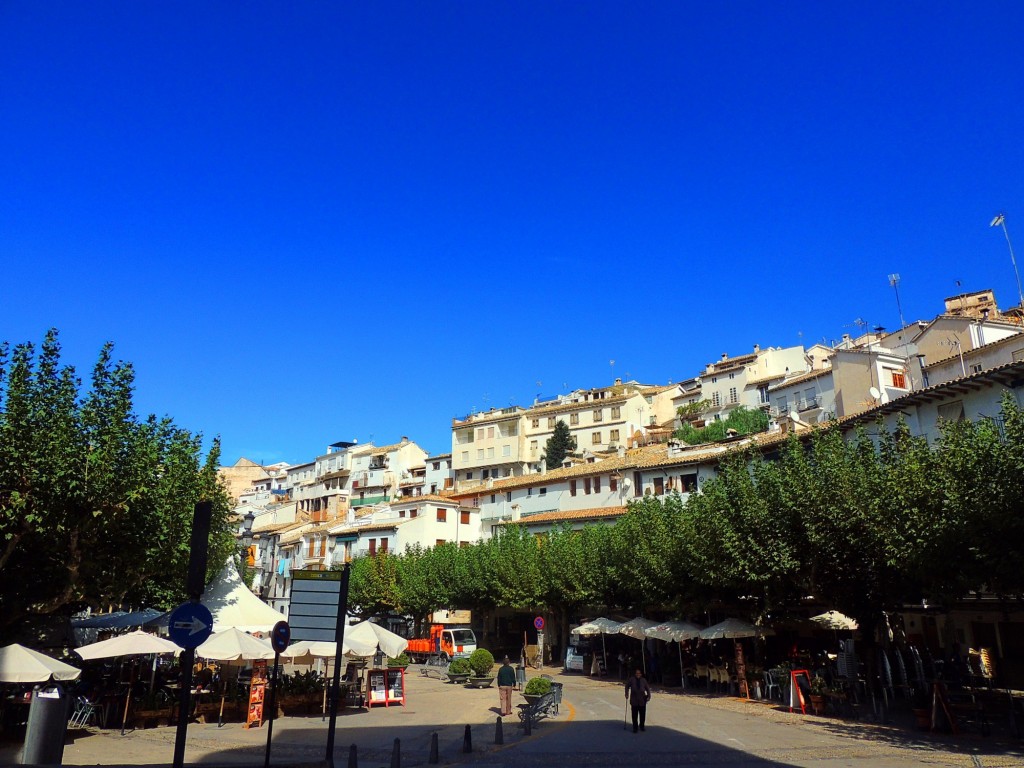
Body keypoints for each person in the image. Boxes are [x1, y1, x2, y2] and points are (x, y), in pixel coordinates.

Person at [624, 668, 651, 733]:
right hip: (634, 700)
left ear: (641, 674)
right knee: (634, 715)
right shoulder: (631, 679)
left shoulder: (643, 680)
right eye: (636, 673)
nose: (638, 674)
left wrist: (649, 696)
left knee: (642, 715)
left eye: (639, 673)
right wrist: (626, 693)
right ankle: (635, 728)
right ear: (635, 674)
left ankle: (642, 726)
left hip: (642, 700)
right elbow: (627, 686)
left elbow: (647, 688)